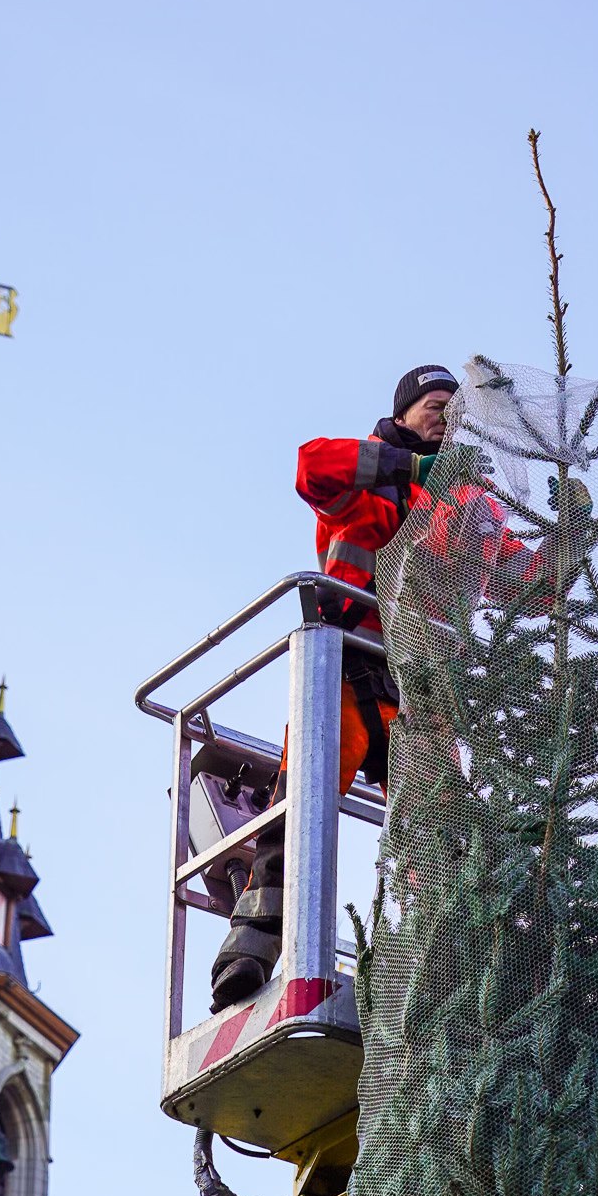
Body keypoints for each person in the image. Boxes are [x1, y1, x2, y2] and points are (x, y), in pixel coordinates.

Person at [209, 365, 461, 1011]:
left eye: (455, 408)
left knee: (441, 830)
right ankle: (248, 954)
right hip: (345, 672)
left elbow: (525, 580)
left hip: (420, 693)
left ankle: (444, 969)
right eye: (434, 404)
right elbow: (310, 467)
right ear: (402, 416)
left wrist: (569, 537)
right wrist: (404, 467)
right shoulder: (366, 481)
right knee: (300, 809)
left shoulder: (466, 508)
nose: (446, 415)